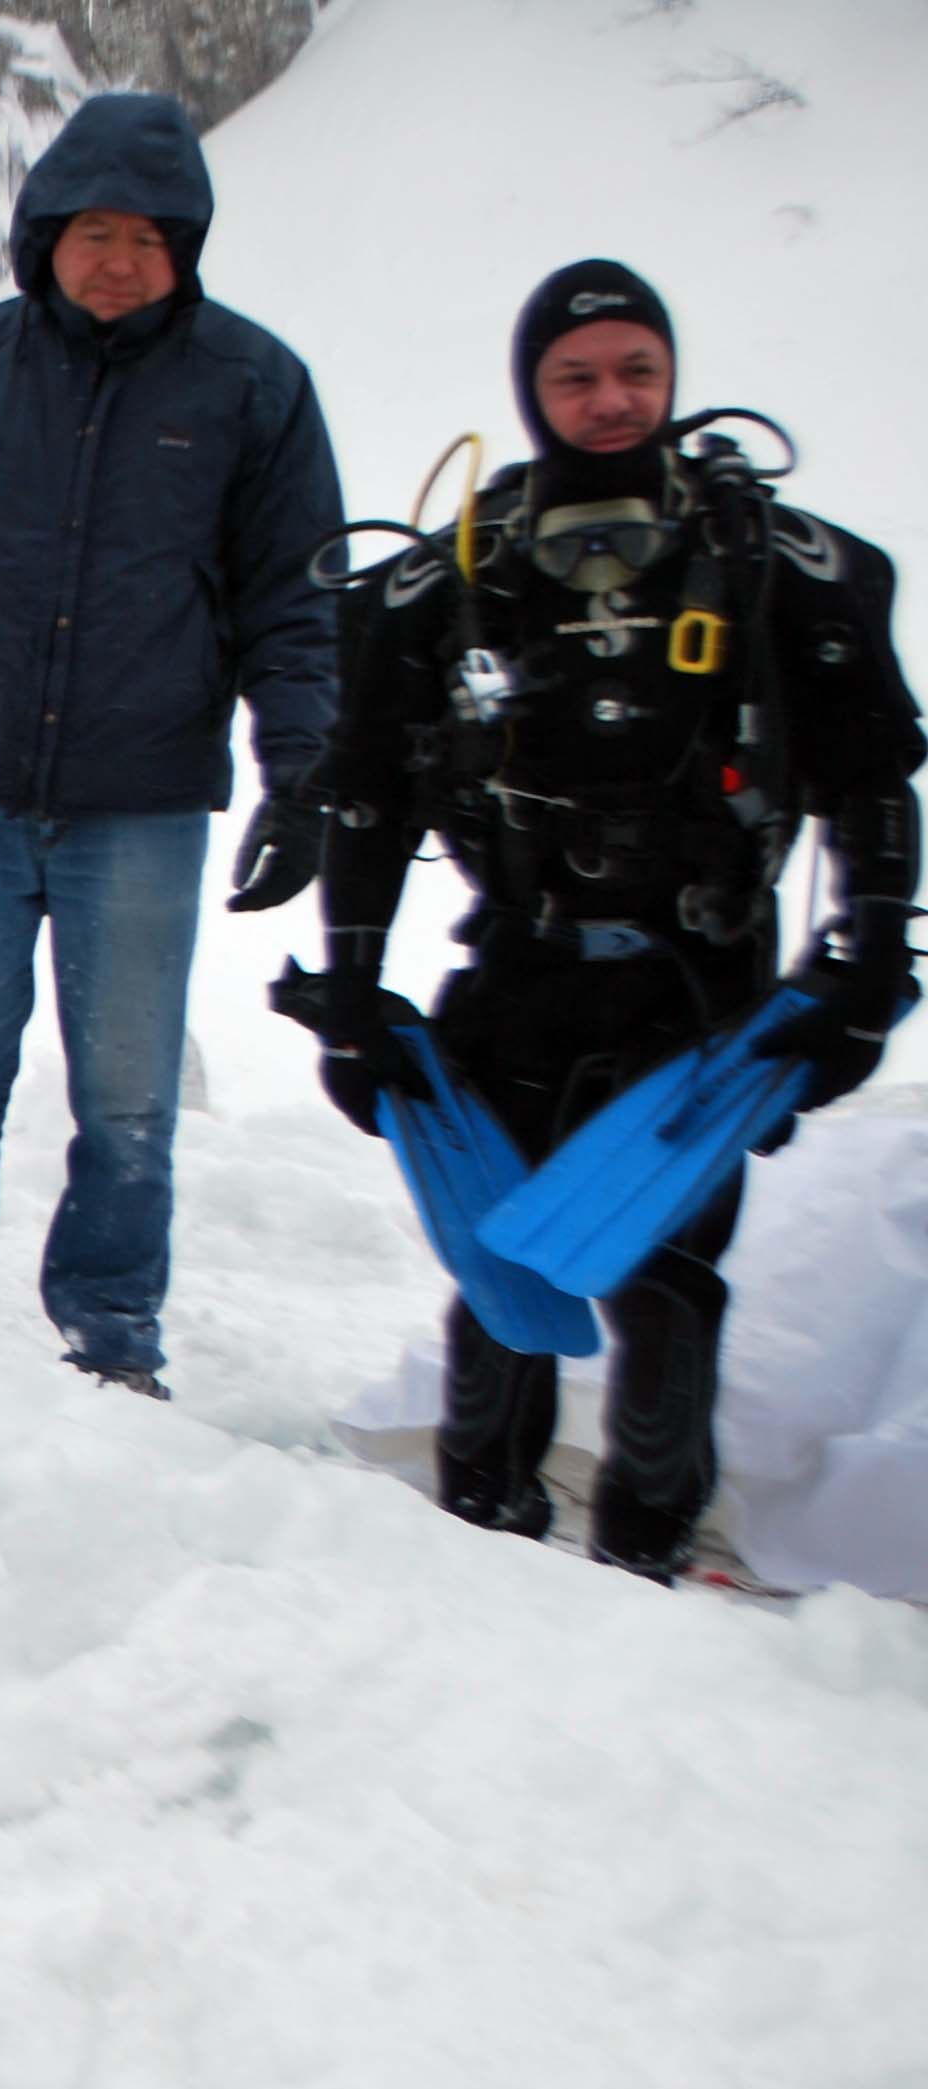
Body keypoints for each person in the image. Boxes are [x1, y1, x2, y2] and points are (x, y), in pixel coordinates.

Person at [285, 260, 922, 1576]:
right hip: (520, 969)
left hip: (704, 989)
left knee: (670, 1279)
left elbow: (871, 777)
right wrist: (349, 992)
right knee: (505, 1263)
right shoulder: (460, 571)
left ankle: (643, 1551)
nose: (611, 399)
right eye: (577, 377)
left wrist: (865, 956)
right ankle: (479, 1525)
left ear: (674, 379)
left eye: (637, 371)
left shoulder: (770, 566)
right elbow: (369, 803)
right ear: (532, 392)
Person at [0, 93, 342, 1430]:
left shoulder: (252, 387)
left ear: (186, 250)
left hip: (142, 810)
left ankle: (112, 1346)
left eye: (147, 238)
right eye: (92, 232)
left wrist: (304, 768)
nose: (116, 260)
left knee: (128, 1096)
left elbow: (292, 601)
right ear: (45, 237)